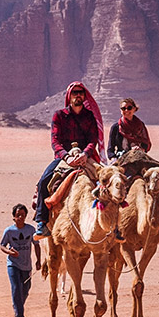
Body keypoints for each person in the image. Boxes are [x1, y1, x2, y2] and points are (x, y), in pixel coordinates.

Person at [33, 81, 105, 239]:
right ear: (69, 95)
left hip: (85, 157)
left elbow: (93, 140)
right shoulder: (59, 116)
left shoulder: (89, 117)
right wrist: (67, 156)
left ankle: (114, 224)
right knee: (44, 181)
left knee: (108, 180)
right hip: (65, 157)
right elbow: (55, 141)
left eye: (81, 92)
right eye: (75, 92)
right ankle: (42, 222)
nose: (78, 95)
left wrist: (85, 154)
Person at [107, 97, 159, 230]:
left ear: (134, 109)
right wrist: (116, 158)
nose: (126, 111)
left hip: (141, 159)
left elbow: (146, 144)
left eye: (129, 108)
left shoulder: (140, 125)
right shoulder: (116, 127)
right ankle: (111, 221)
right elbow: (110, 149)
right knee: (113, 184)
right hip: (124, 160)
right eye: (123, 108)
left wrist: (141, 148)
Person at [0, 203, 42, 317]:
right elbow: (2, 245)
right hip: (13, 264)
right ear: (13, 217)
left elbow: (36, 245)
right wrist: (9, 252)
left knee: (25, 289)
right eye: (18, 215)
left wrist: (38, 261)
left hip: (26, 265)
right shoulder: (9, 231)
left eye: (23, 215)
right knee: (16, 288)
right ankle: (19, 316)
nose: (20, 218)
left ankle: (18, 305)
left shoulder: (30, 230)